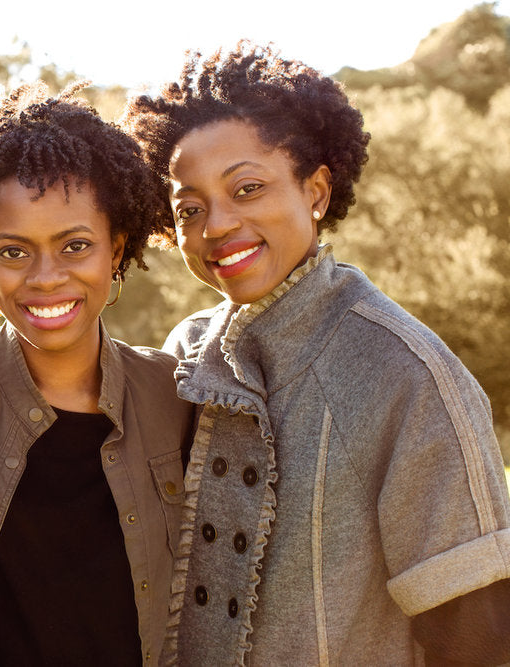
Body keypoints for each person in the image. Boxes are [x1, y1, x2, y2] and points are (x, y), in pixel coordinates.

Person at [122, 42, 510, 665]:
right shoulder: (184, 356)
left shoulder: (404, 373)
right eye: (189, 208)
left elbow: (476, 639)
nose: (217, 225)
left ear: (317, 190)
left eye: (247, 188)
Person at [0, 82, 195, 666]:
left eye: (75, 245)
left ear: (116, 245)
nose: (46, 277)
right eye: (13, 251)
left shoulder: (172, 398)